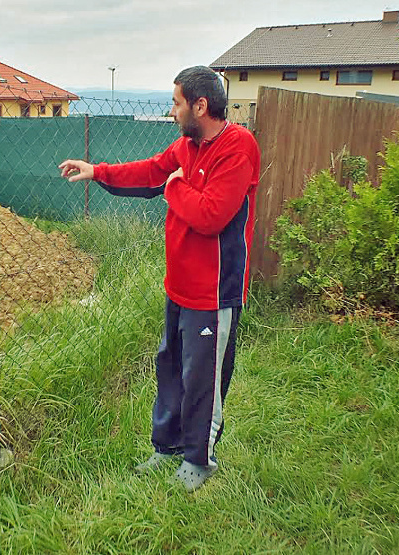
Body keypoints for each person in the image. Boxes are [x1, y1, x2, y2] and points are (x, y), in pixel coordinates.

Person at [58, 66, 260, 492]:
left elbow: (210, 216)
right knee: (169, 368)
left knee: (204, 379)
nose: (172, 111)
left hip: (214, 292)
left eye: (176, 103)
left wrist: (174, 189)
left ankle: (199, 459)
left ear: (200, 106)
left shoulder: (237, 148)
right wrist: (99, 172)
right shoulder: (187, 146)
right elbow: (153, 172)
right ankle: (166, 446)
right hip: (180, 286)